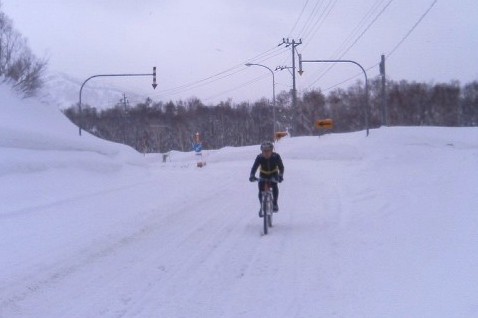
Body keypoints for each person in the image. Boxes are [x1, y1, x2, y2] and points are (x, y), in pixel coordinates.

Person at [249, 141, 284, 215]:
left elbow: (281, 167)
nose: (266, 153)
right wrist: (252, 175)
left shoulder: (276, 156)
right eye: (264, 151)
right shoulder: (259, 157)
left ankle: (275, 204)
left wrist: (280, 175)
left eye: (268, 151)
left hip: (274, 174)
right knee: (260, 189)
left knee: (274, 186)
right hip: (263, 175)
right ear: (262, 151)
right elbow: (254, 167)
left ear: (272, 151)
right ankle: (262, 206)